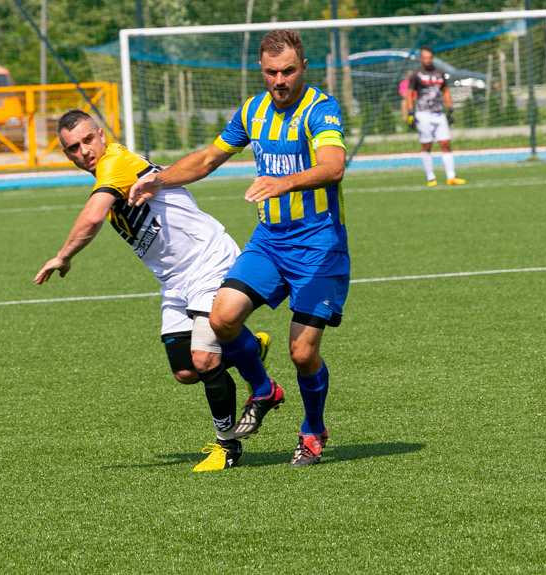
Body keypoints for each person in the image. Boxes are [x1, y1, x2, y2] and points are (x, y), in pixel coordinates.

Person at [129, 30, 348, 467]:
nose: (280, 80)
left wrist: (282, 182)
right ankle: (264, 390)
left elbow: (333, 166)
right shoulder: (253, 110)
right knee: (222, 318)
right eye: (271, 72)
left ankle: (312, 431)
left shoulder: (321, 110)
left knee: (303, 353)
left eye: (288, 71)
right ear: (261, 71)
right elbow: (209, 158)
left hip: (318, 247)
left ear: (303, 67)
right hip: (269, 242)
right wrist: (161, 177)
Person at [34, 109, 270, 472]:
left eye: (87, 140)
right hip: (175, 283)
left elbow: (94, 216)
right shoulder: (105, 171)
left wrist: (63, 256)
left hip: (209, 263)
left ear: (102, 134)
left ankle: (228, 445)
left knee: (206, 360)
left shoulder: (115, 162)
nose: (83, 151)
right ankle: (247, 346)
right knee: (186, 371)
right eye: (73, 148)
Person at [405, 46, 466, 187]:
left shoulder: (440, 72)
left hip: (439, 113)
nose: (427, 60)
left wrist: (450, 108)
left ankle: (451, 176)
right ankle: (431, 177)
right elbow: (409, 93)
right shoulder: (416, 74)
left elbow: (446, 90)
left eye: (430, 58)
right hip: (423, 114)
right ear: (421, 59)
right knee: (426, 145)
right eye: (425, 58)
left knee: (446, 143)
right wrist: (410, 112)